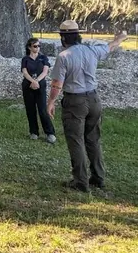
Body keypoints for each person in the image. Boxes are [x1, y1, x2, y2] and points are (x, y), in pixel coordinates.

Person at [47, 20, 128, 192]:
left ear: (63, 38)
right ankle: (98, 177)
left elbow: (57, 84)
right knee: (93, 139)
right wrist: (120, 38)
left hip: (75, 100)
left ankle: (80, 181)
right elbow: (111, 47)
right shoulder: (91, 50)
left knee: (76, 141)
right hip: (94, 98)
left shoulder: (64, 57)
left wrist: (51, 102)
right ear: (78, 35)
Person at [20, 38, 56, 143]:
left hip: (40, 85)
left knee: (42, 110)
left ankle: (50, 133)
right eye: (35, 46)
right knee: (30, 109)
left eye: (39, 46)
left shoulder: (43, 58)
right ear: (29, 47)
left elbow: (45, 71)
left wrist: (37, 81)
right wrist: (32, 81)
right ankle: (34, 132)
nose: (37, 48)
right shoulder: (25, 59)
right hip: (28, 85)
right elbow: (25, 72)